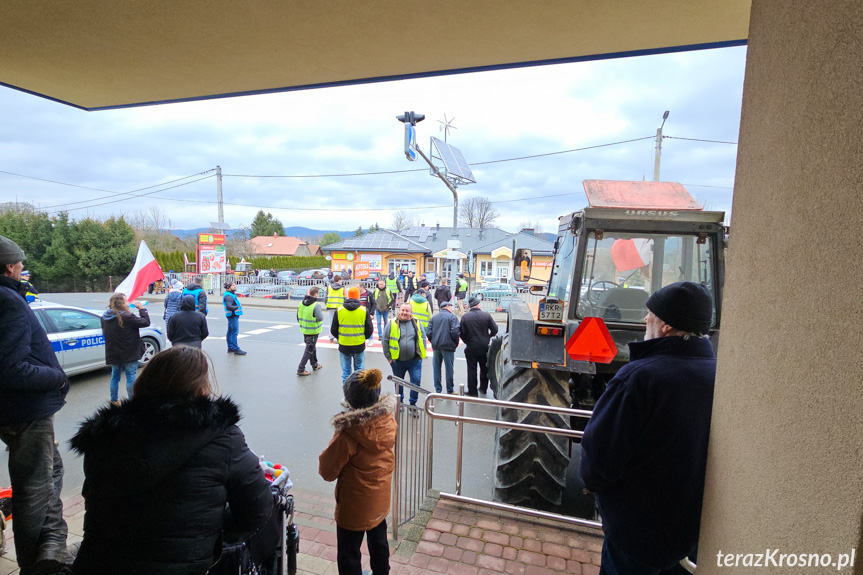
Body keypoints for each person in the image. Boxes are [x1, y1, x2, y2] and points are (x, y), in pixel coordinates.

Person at [69, 346, 277, 575]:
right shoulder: (222, 437)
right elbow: (257, 509)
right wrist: (213, 529)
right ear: (200, 387)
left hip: (96, 565)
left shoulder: (103, 435)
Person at [579, 282, 716, 575]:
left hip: (637, 538)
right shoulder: (718, 375)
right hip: (692, 537)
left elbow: (599, 460)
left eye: (650, 313)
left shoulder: (638, 378)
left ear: (666, 325)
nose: (644, 319)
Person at [0, 235, 70, 575]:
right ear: (10, 266)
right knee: (35, 490)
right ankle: (36, 563)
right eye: (21, 265)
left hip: (17, 410)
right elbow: (10, 368)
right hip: (25, 411)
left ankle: (52, 550)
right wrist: (55, 377)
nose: (23, 270)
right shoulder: (8, 301)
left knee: (52, 472)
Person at [319, 369, 396, 575]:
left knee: (349, 552)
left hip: (353, 506)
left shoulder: (349, 434)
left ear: (349, 400)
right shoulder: (387, 421)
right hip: (379, 499)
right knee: (379, 542)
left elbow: (327, 471)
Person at [101, 293, 151, 405]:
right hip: (129, 351)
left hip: (113, 351)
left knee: (115, 376)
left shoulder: (105, 316)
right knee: (130, 376)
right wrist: (142, 309)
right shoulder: (127, 316)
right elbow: (146, 322)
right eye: (126, 301)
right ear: (121, 303)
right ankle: (132, 401)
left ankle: (114, 400)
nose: (128, 303)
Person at [383, 303, 427, 407]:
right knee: (399, 383)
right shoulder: (392, 323)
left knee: (416, 382)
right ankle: (400, 402)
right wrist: (389, 359)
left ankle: (412, 403)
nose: (404, 313)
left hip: (414, 361)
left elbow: (423, 338)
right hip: (398, 361)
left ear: (411, 313)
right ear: (399, 311)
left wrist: (420, 354)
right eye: (402, 310)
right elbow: (385, 341)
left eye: (407, 311)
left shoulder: (416, 323)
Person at [330, 286, 374, 383]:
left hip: (344, 345)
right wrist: (363, 338)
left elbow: (333, 329)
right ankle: (359, 394)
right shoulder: (363, 310)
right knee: (360, 373)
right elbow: (369, 329)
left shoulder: (339, 310)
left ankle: (347, 395)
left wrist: (340, 337)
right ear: (358, 297)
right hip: (359, 345)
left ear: (348, 296)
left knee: (346, 373)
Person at [459, 296, 498, 396]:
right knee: (484, 368)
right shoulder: (486, 315)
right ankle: (483, 388)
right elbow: (495, 329)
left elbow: (461, 333)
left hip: (471, 346)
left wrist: (467, 341)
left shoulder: (465, 317)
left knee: (472, 369)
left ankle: (472, 391)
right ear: (478, 304)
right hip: (484, 346)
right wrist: (488, 337)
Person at [426, 300, 460, 394]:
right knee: (449, 368)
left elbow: (428, 332)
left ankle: (437, 389)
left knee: (436, 368)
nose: (451, 308)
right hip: (448, 347)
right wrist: (454, 343)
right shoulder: (452, 317)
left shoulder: (434, 318)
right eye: (451, 306)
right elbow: (455, 332)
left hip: (436, 346)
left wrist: (433, 341)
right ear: (447, 307)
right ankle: (450, 389)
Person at [297, 286, 325, 376]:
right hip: (313, 330)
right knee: (309, 349)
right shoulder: (316, 305)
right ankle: (301, 368)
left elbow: (298, 316)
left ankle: (314, 364)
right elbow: (320, 318)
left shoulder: (301, 303)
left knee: (311, 347)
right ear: (316, 294)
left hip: (304, 329)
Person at [223, 281, 247, 355]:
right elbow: (229, 306)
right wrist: (237, 307)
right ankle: (236, 348)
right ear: (229, 287)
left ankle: (230, 347)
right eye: (233, 285)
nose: (235, 286)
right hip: (233, 315)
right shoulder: (229, 296)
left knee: (230, 331)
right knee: (234, 332)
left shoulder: (229, 295)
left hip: (231, 315)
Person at [326, 274, 345, 343]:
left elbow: (325, 297)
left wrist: (327, 304)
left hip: (331, 307)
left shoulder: (329, 287)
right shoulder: (342, 288)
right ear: (339, 280)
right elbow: (344, 298)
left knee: (331, 322)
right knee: (339, 323)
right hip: (340, 308)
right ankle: (338, 337)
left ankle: (331, 337)